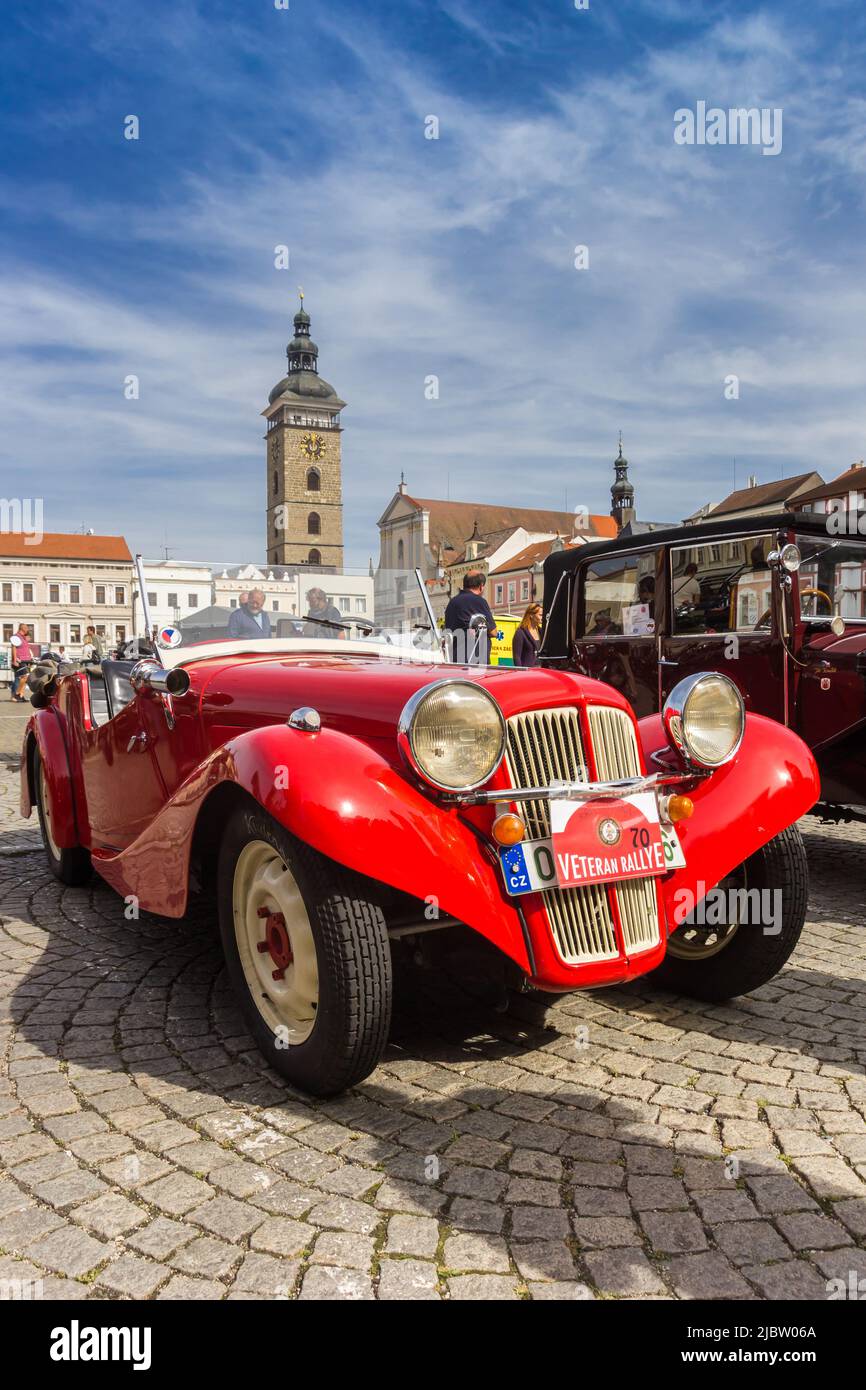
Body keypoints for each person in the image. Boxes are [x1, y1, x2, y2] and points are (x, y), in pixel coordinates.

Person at [444, 572, 497, 664]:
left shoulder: (452, 602)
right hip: (475, 659)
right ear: (481, 586)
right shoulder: (478, 601)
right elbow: (493, 632)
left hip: (455, 658)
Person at [512, 603, 542, 667]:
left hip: (541, 671)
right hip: (528, 672)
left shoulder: (541, 631)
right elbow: (517, 657)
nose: (542, 617)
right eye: (540, 615)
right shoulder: (520, 632)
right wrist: (520, 672)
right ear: (531, 615)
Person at [10, 624, 33, 702]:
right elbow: (14, 648)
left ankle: (21, 695)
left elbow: (26, 649)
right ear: (22, 628)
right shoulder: (16, 637)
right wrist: (14, 660)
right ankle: (16, 694)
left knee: (24, 678)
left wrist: (30, 660)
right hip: (20, 660)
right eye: (26, 628)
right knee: (23, 677)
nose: (28, 629)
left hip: (26, 660)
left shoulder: (24, 638)